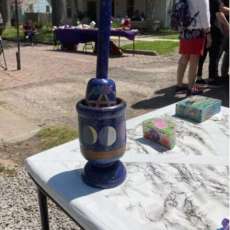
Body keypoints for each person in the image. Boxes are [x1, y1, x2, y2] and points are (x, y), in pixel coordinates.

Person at [176, 0, 211, 95]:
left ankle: (179, 85)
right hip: (197, 30)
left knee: (184, 57)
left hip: (185, 29)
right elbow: (205, 14)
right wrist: (208, 32)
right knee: (194, 60)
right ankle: (190, 88)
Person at [196, 0, 229, 85]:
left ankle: (199, 77)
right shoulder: (215, 1)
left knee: (202, 55)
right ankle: (212, 78)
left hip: (202, 29)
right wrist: (228, 26)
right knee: (214, 55)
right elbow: (220, 12)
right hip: (213, 30)